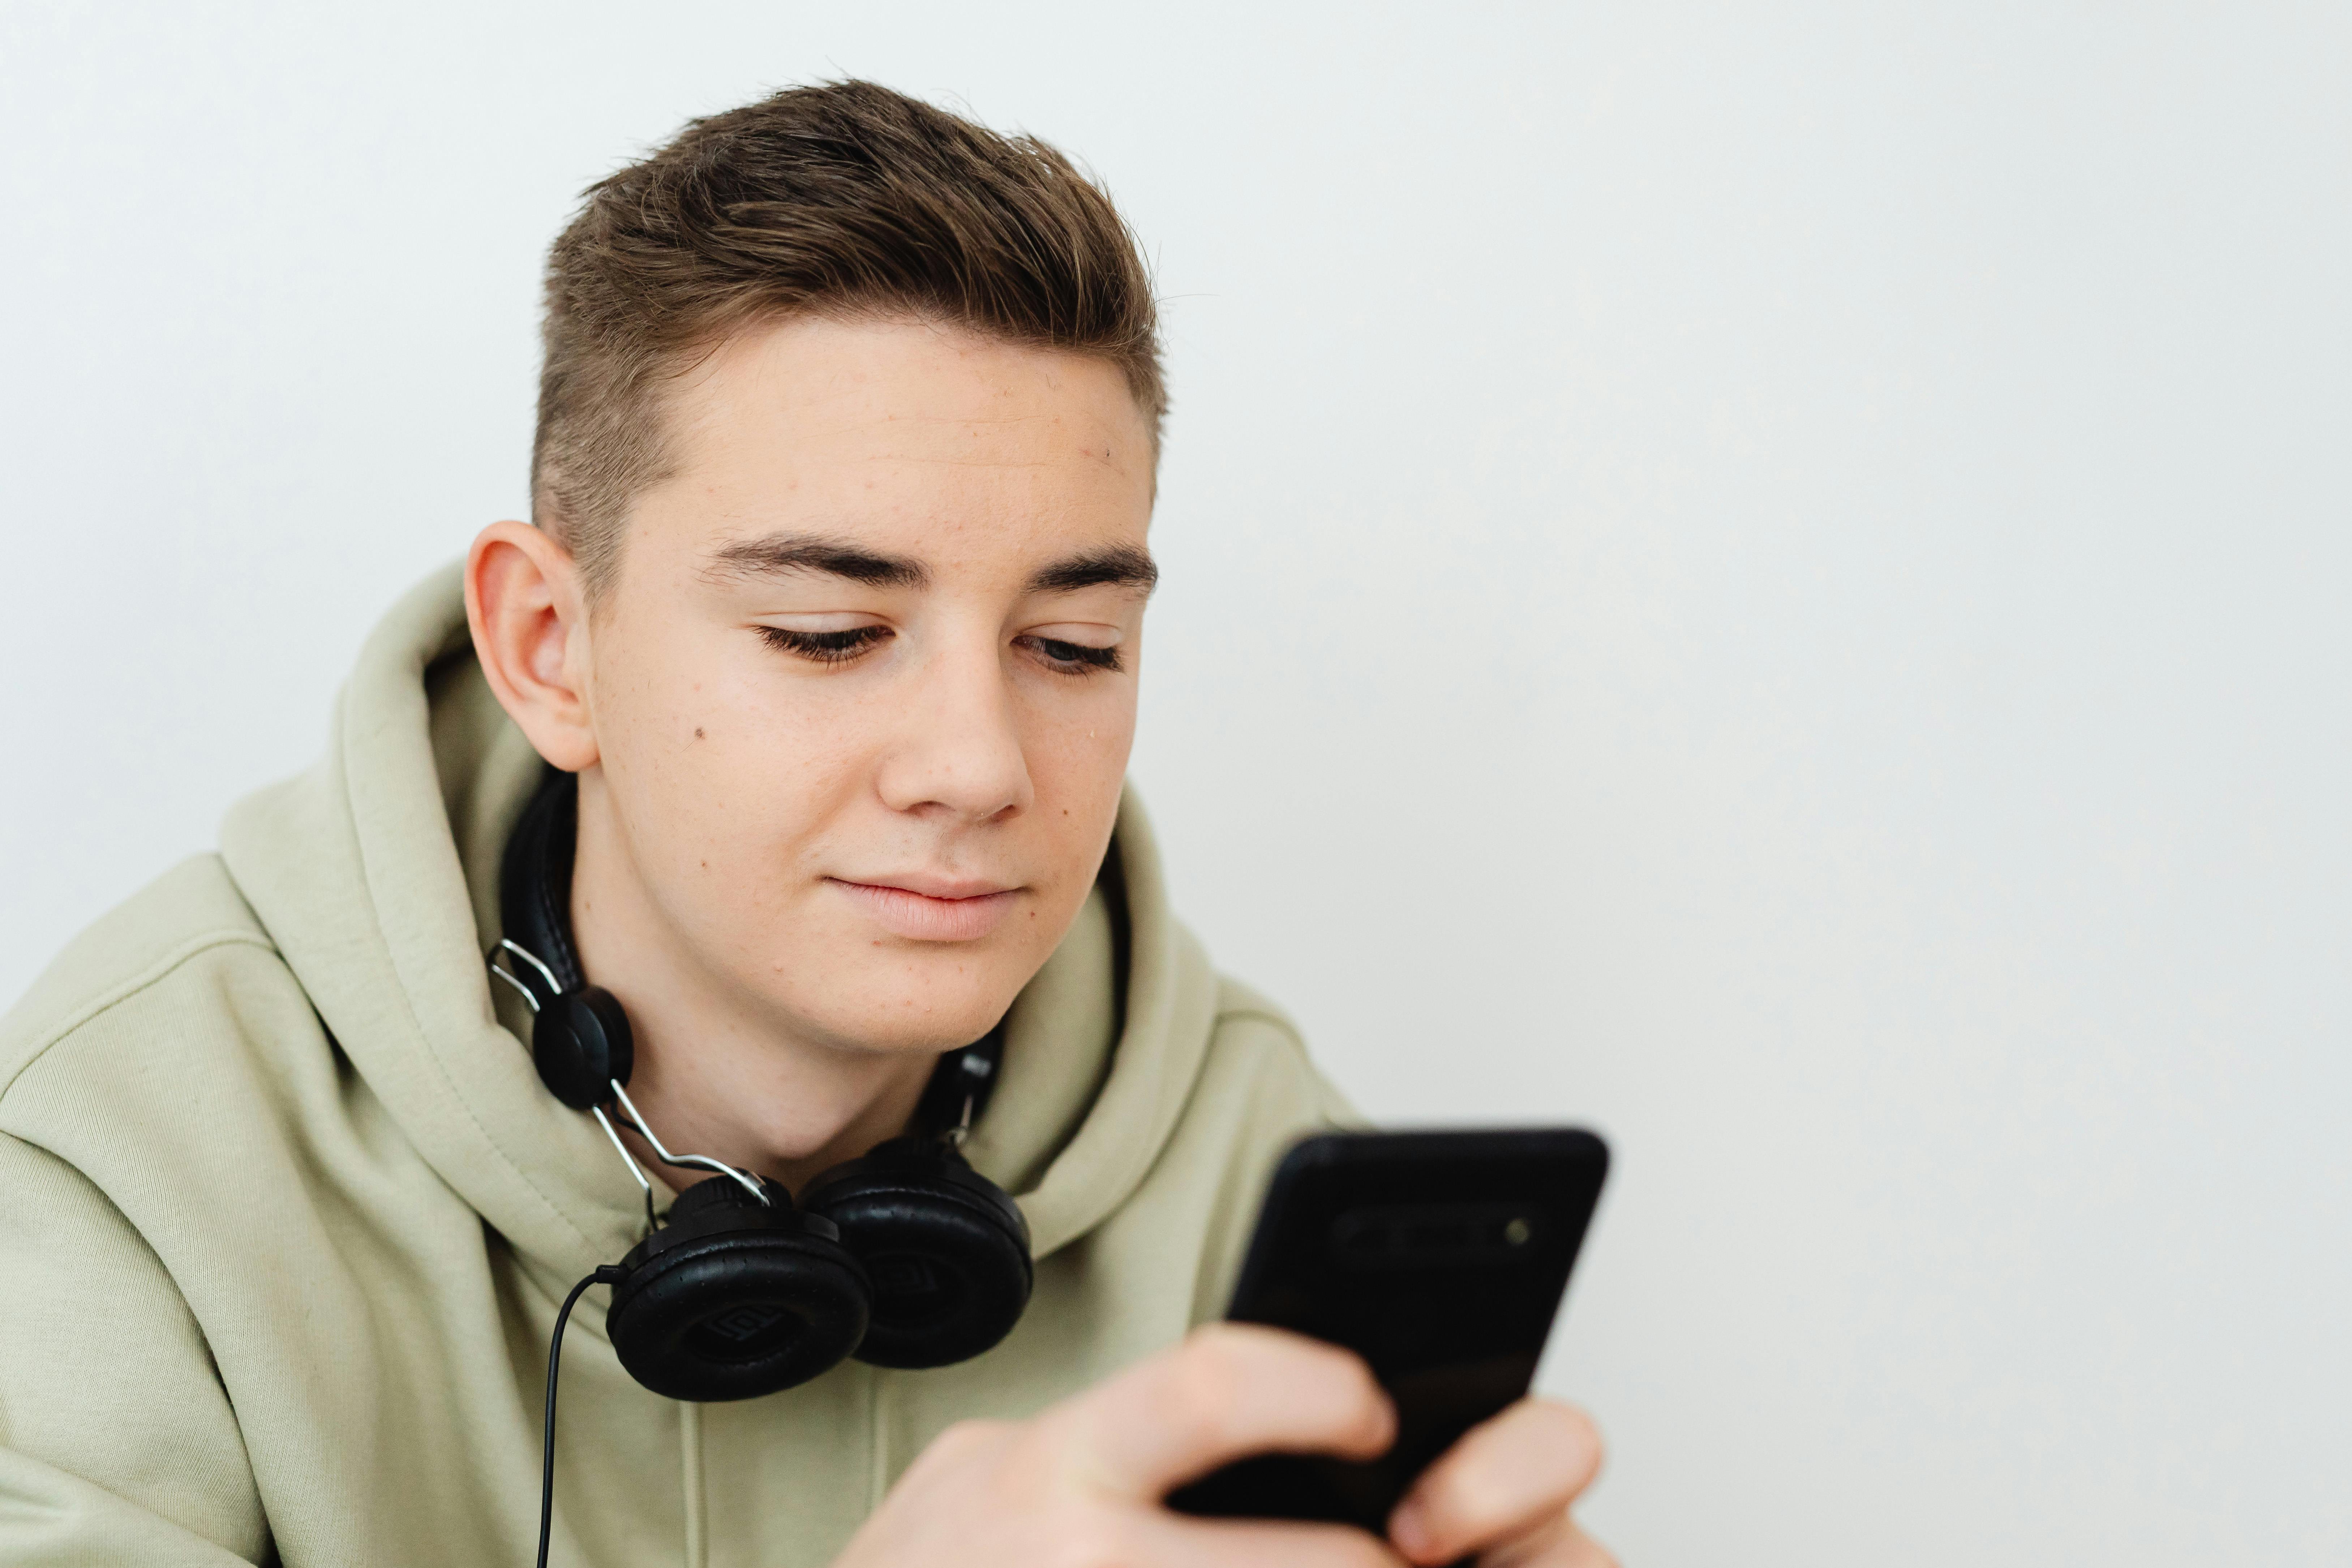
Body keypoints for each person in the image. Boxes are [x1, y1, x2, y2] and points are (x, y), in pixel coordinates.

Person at [0, 81, 1612, 1567]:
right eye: (830, 634)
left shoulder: (1255, 1162)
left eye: (1072, 647)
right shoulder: (125, 1159)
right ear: (551, 650)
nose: (977, 766)